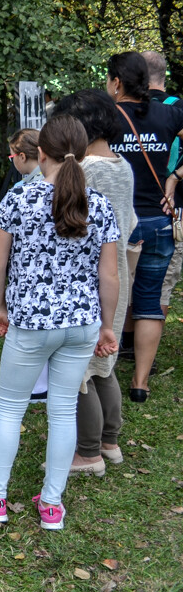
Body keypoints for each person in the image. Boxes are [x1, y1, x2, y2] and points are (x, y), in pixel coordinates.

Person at [0, 114, 120, 531]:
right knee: (62, 412)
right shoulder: (99, 204)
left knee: (9, 408)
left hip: (32, 323)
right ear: (84, 152)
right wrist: (107, 326)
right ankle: (51, 505)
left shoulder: (19, 199)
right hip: (83, 323)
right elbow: (109, 275)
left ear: (40, 153)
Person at [53, 89, 138, 475]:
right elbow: (130, 224)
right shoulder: (121, 165)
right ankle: (110, 442)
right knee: (104, 362)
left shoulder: (86, 172)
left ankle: (87, 453)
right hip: (117, 278)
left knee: (80, 371)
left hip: (87, 283)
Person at [106, 51, 183, 402]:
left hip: (115, 224)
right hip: (156, 220)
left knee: (108, 292)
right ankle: (140, 383)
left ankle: (102, 370)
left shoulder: (103, 117)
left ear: (117, 82)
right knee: (150, 300)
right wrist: (176, 177)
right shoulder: (168, 113)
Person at [142, 51, 183, 327]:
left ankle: (124, 342)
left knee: (128, 275)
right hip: (173, 208)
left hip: (132, 206)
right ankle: (147, 351)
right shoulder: (177, 109)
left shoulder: (124, 109)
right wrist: (175, 176)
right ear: (164, 74)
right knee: (162, 280)